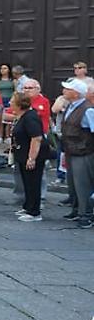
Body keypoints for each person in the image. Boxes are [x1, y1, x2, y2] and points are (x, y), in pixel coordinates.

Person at [59, 78, 94, 229]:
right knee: (73, 183)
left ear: (76, 93)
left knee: (82, 184)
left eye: (67, 89)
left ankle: (86, 214)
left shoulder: (88, 110)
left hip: (83, 151)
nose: (64, 91)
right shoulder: (70, 106)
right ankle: (76, 209)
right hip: (70, 150)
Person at [10, 92, 46, 222]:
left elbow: (36, 138)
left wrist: (32, 158)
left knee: (33, 183)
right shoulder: (22, 116)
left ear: (20, 104)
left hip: (32, 155)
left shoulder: (30, 117)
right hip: (22, 154)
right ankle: (28, 206)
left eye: (12, 101)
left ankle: (34, 211)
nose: (10, 103)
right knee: (26, 182)